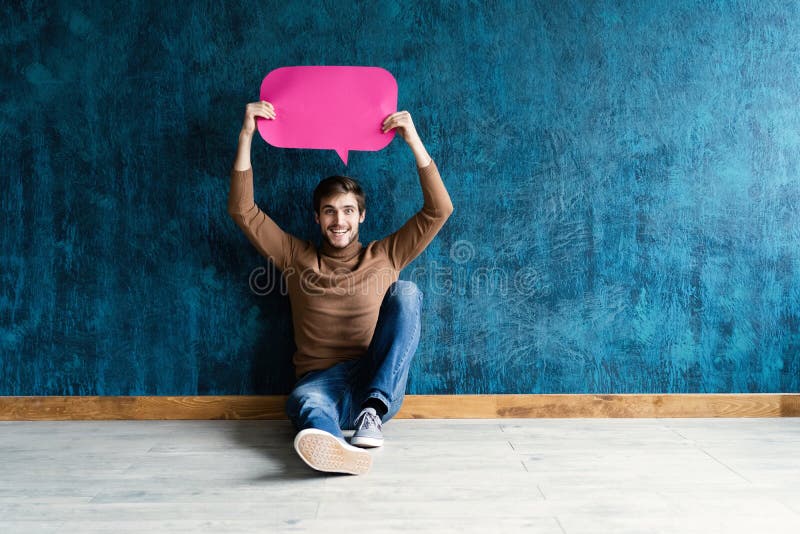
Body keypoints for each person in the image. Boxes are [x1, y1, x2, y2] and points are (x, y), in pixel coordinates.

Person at [228, 100, 453, 475]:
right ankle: (331, 445)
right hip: (321, 384)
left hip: (375, 383)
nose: (339, 220)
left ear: (361, 216)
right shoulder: (294, 256)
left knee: (407, 294)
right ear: (317, 218)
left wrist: (413, 140)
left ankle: (371, 414)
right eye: (330, 211)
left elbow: (439, 210)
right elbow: (243, 211)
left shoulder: (387, 254)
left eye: (348, 210)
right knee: (305, 400)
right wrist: (247, 134)